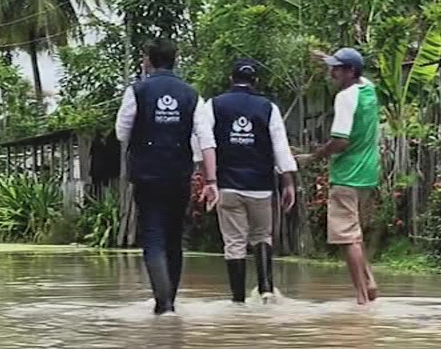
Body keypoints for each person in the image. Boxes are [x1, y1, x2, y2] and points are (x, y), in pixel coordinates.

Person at [195, 58, 298, 303]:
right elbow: (281, 148)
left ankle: (238, 300)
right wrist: (289, 182)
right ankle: (266, 291)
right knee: (262, 236)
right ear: (256, 81)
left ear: (231, 79)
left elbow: (202, 140)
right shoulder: (268, 107)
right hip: (261, 187)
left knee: (234, 243)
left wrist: (206, 176)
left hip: (227, 186)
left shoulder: (214, 105)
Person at [117, 39, 199, 315]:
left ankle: (163, 305)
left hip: (147, 173)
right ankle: (171, 302)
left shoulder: (137, 90)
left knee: (153, 236)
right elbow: (201, 135)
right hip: (180, 173)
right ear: (174, 60)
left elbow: (121, 131)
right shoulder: (191, 94)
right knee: (174, 237)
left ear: (148, 61)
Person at [308, 47, 382, 305]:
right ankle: (369, 281)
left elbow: (340, 141)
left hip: (346, 175)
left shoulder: (345, 97)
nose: (332, 72)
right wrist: (325, 56)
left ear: (350, 71)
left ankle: (362, 299)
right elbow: (355, 67)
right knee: (355, 234)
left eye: (337, 68)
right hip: (368, 175)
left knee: (347, 237)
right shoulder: (368, 89)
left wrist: (314, 156)